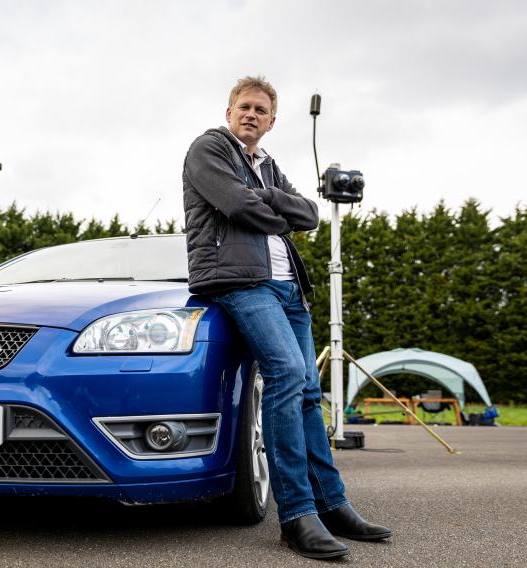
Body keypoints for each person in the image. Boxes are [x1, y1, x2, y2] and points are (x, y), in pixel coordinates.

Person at [182, 76, 391, 560]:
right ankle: (297, 516)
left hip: (290, 289)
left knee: (307, 393)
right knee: (288, 374)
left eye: (260, 110)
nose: (251, 114)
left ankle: (332, 504)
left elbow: (311, 214)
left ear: (272, 122)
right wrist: (275, 207)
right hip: (240, 282)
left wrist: (269, 201)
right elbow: (235, 204)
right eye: (244, 107)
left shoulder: (267, 165)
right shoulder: (209, 148)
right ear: (229, 110)